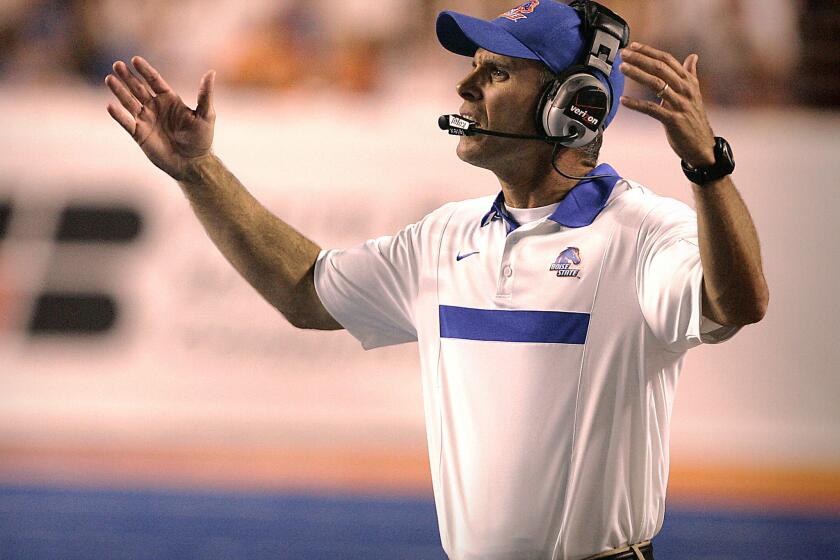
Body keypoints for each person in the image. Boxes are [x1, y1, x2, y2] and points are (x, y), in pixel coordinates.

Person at [104, 1, 768, 558]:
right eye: (473, 70)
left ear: (577, 108)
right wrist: (199, 171)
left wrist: (707, 166)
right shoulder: (445, 237)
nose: (465, 89)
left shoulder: (645, 234)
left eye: (497, 72)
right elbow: (304, 291)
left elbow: (736, 302)